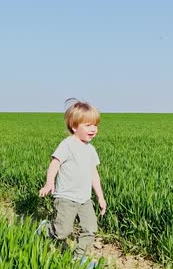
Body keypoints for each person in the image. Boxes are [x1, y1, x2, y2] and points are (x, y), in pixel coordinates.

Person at [37, 98, 107, 265]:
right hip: (66, 197)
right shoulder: (67, 145)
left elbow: (94, 174)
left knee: (90, 229)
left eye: (95, 125)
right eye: (88, 125)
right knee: (62, 232)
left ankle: (78, 258)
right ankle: (46, 228)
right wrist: (49, 182)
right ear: (74, 126)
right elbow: (55, 163)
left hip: (85, 199)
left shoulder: (90, 150)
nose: (93, 129)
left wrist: (100, 197)